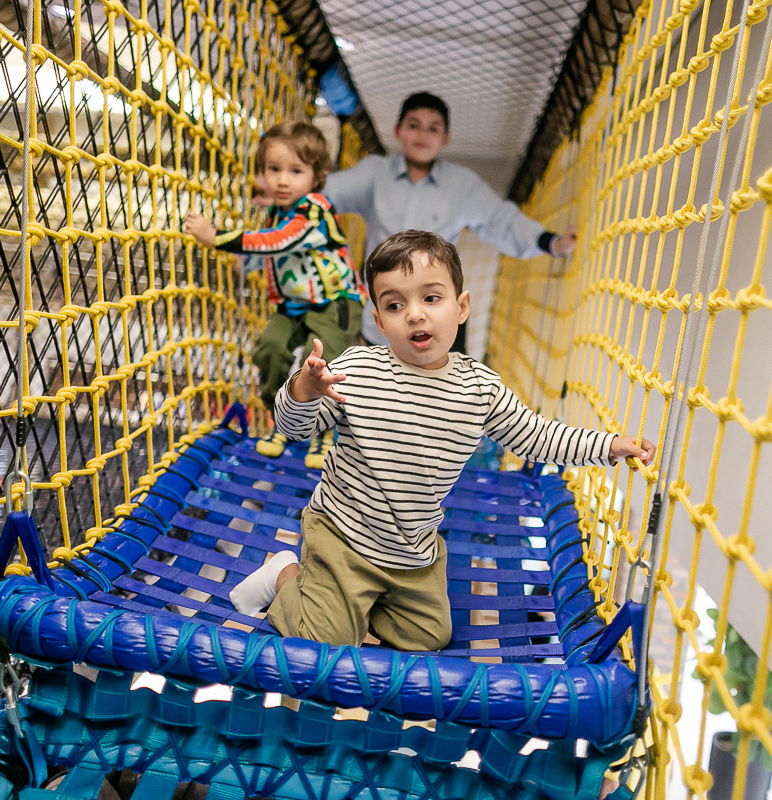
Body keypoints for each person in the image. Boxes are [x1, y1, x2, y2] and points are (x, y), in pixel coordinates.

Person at [228, 230, 655, 651]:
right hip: (344, 536)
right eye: (395, 304)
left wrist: (608, 446)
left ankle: (357, 602)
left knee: (429, 639)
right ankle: (286, 572)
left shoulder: (479, 388)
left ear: (461, 306)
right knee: (325, 640)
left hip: (412, 551)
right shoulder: (358, 369)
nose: (415, 314)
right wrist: (304, 388)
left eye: (431, 298)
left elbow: (537, 436)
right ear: (377, 321)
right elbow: (294, 428)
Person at [324, 92, 577, 352]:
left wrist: (551, 242)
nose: (422, 135)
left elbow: (501, 221)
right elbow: (325, 193)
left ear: (445, 137)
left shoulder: (460, 185)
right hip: (382, 326)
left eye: (433, 128)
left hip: (436, 330)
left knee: (438, 391)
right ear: (398, 130)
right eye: (413, 125)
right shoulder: (375, 174)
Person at [185, 121, 364, 469]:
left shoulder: (314, 210)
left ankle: (327, 430)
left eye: (295, 171)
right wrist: (246, 263)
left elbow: (280, 241)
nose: (282, 180)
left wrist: (217, 237)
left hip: (335, 302)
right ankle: (283, 420)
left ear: (316, 177)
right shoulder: (277, 210)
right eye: (273, 169)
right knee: (269, 349)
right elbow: (274, 251)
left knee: (322, 364)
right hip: (294, 303)